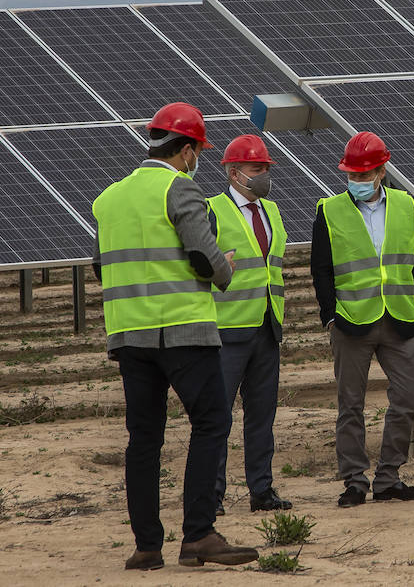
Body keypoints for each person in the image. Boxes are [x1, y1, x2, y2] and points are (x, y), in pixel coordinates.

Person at [91, 102, 258, 570]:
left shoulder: (109, 199)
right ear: (186, 150)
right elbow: (207, 262)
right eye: (197, 151)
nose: (197, 159)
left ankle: (147, 547)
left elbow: (101, 266)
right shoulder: (180, 190)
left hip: (129, 335)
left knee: (143, 439)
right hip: (182, 330)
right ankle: (199, 536)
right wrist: (226, 266)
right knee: (211, 422)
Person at [311, 131, 414, 507]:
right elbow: (321, 269)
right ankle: (354, 480)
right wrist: (330, 316)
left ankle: (389, 478)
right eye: (353, 175)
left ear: (382, 171)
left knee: (407, 398)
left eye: (365, 175)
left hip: (400, 319)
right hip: (351, 320)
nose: (359, 182)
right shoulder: (329, 210)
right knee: (350, 404)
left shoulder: (408, 205)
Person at [206, 134, 291, 516]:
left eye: (266, 169)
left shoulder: (272, 211)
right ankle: (213, 494)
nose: (264, 176)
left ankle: (262, 490)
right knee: (218, 417)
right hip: (226, 331)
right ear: (234, 172)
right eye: (257, 169)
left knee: (262, 416)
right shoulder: (211, 210)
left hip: (267, 327)